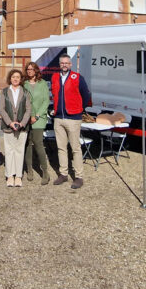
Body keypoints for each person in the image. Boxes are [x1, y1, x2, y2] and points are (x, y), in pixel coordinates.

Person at [51, 54, 92, 189]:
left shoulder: (78, 78)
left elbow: (86, 95)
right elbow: (55, 94)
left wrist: (80, 109)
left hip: (73, 118)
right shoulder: (55, 77)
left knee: (75, 148)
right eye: (62, 63)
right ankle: (63, 174)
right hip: (58, 118)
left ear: (71, 64)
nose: (64, 65)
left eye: (67, 63)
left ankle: (79, 176)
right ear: (59, 64)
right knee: (61, 147)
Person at [0, 68, 32, 187]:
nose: (15, 79)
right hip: (8, 127)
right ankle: (10, 176)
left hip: (22, 127)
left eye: (18, 77)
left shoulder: (26, 92)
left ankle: (18, 176)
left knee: (19, 151)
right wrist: (10, 122)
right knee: (9, 151)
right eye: (13, 77)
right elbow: (1, 109)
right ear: (10, 78)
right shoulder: (4, 91)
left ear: (21, 79)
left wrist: (22, 123)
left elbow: (28, 110)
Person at [23, 61, 51, 185]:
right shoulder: (24, 84)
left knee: (38, 143)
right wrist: (27, 116)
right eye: (28, 69)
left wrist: (37, 115)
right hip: (27, 118)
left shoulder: (43, 83)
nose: (29, 71)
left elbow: (46, 101)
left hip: (39, 118)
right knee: (28, 144)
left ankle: (45, 171)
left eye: (32, 69)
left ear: (36, 71)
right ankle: (29, 169)